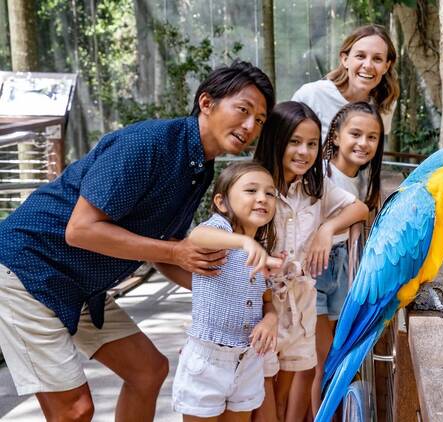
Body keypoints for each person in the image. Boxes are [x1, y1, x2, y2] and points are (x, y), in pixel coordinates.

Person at [0, 60, 274, 421]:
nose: (250, 126)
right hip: (28, 270)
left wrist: (236, 294)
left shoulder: (201, 168)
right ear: (206, 102)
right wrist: (176, 250)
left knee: (147, 371)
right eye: (243, 110)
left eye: (260, 120)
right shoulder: (149, 143)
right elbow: (80, 229)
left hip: (80, 284)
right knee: (75, 411)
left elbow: (168, 249)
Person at [252, 101, 369, 422]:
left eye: (312, 144)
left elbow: (360, 209)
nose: (304, 152)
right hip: (260, 307)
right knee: (260, 396)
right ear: (276, 140)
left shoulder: (315, 187)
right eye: (295, 142)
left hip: (300, 306)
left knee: (285, 391)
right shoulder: (256, 186)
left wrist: (327, 228)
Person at [172, 161, 281, 421]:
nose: (262, 198)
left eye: (270, 193)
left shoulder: (260, 249)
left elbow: (266, 300)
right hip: (207, 360)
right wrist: (243, 242)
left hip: (247, 360)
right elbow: (197, 236)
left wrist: (271, 319)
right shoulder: (221, 232)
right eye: (251, 190)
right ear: (222, 203)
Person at [311, 101, 385, 417]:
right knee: (319, 356)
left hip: (343, 270)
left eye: (372, 137)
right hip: (314, 268)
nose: (363, 143)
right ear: (336, 137)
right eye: (355, 134)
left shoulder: (364, 181)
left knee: (334, 356)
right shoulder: (321, 173)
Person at [291, 24, 399, 143]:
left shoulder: (385, 103)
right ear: (345, 60)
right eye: (360, 56)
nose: (368, 65)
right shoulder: (311, 95)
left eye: (377, 59)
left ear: (386, 66)